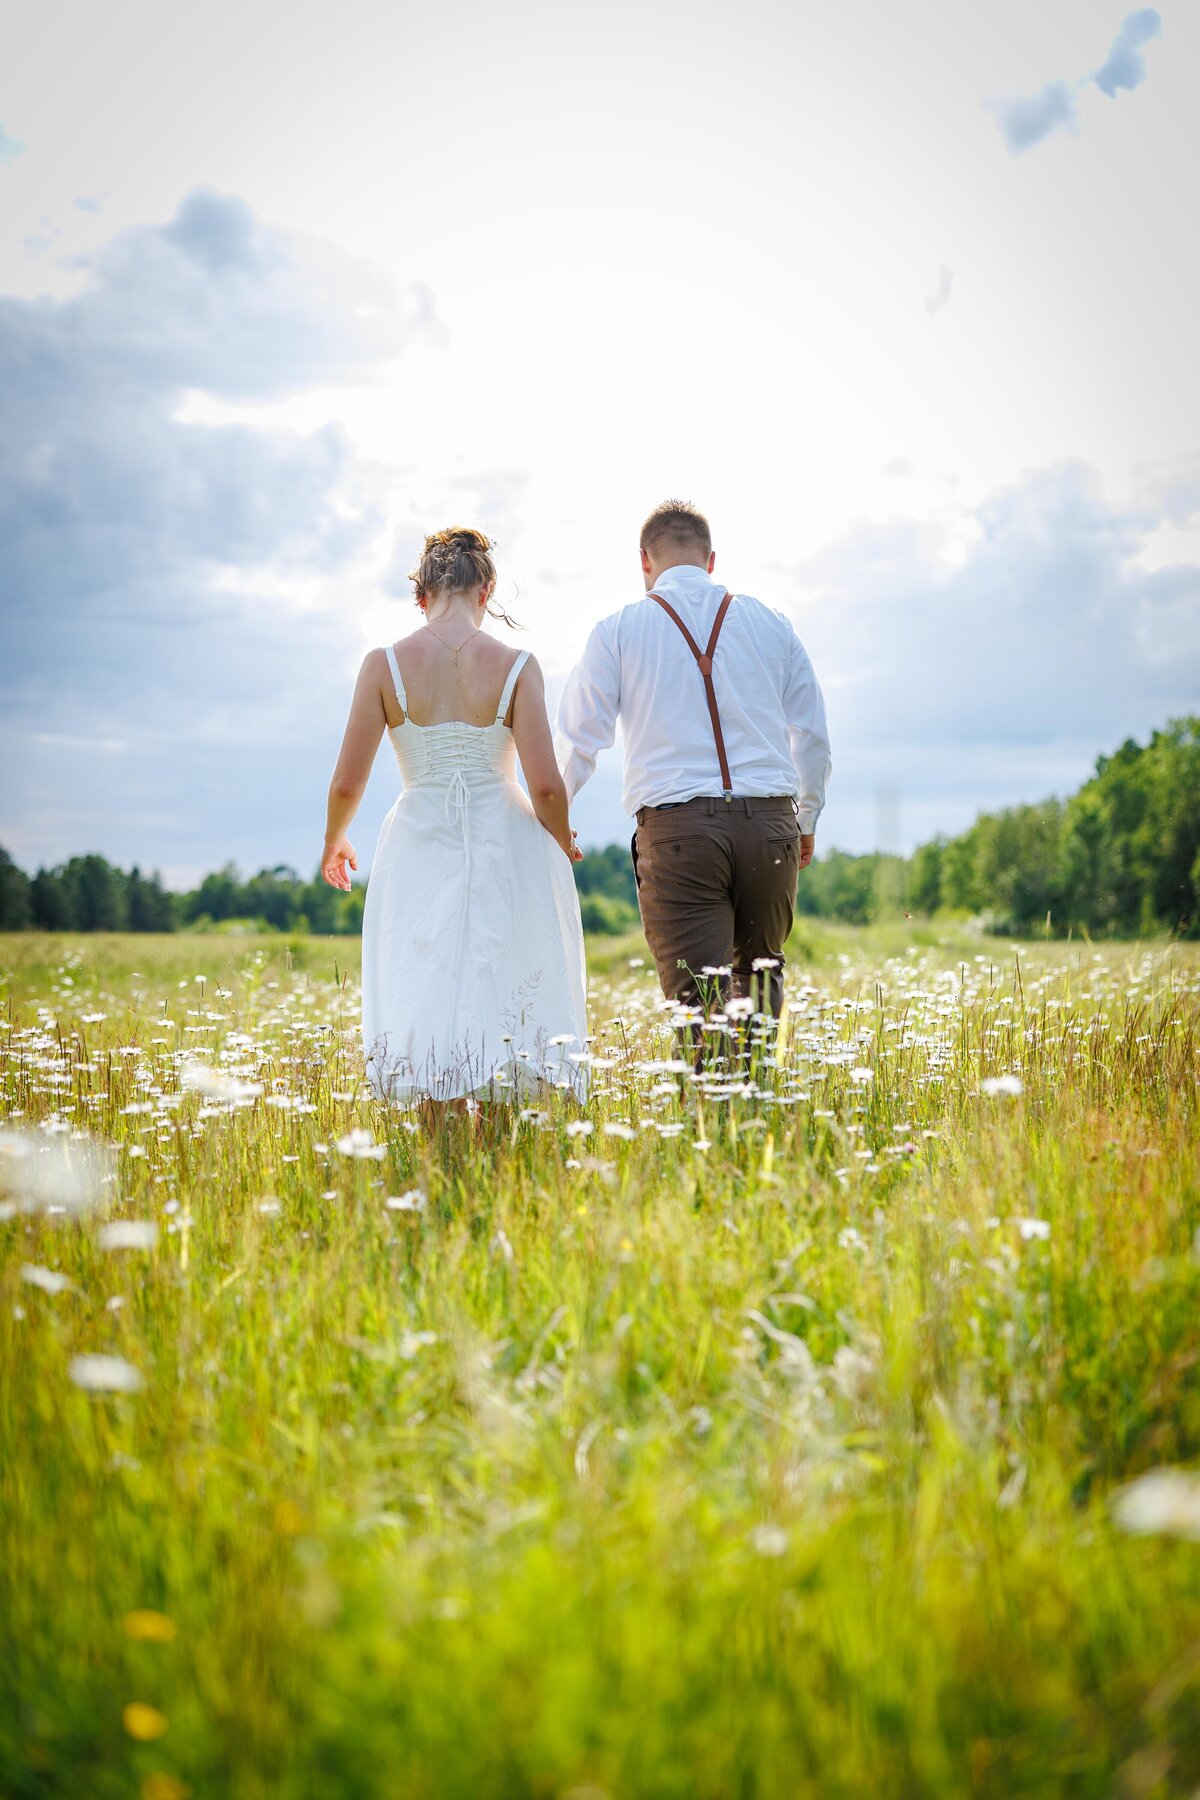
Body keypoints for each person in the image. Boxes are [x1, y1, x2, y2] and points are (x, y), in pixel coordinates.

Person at [321, 526, 588, 1104]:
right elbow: (544, 784)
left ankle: (435, 1140)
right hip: (505, 837)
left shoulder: (382, 665)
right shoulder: (518, 665)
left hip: (418, 834)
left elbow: (347, 781)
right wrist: (563, 840)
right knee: (501, 974)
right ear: (486, 590)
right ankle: (495, 1137)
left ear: (421, 596)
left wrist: (334, 840)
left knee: (424, 976)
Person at [554, 499, 831, 1030]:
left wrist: (553, 820)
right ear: (710, 560)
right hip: (772, 826)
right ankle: (761, 1108)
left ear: (645, 562)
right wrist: (807, 820)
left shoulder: (617, 630)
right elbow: (813, 734)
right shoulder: (773, 623)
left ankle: (707, 1114)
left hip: (679, 834)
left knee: (700, 1007)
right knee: (759, 991)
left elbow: (578, 741)